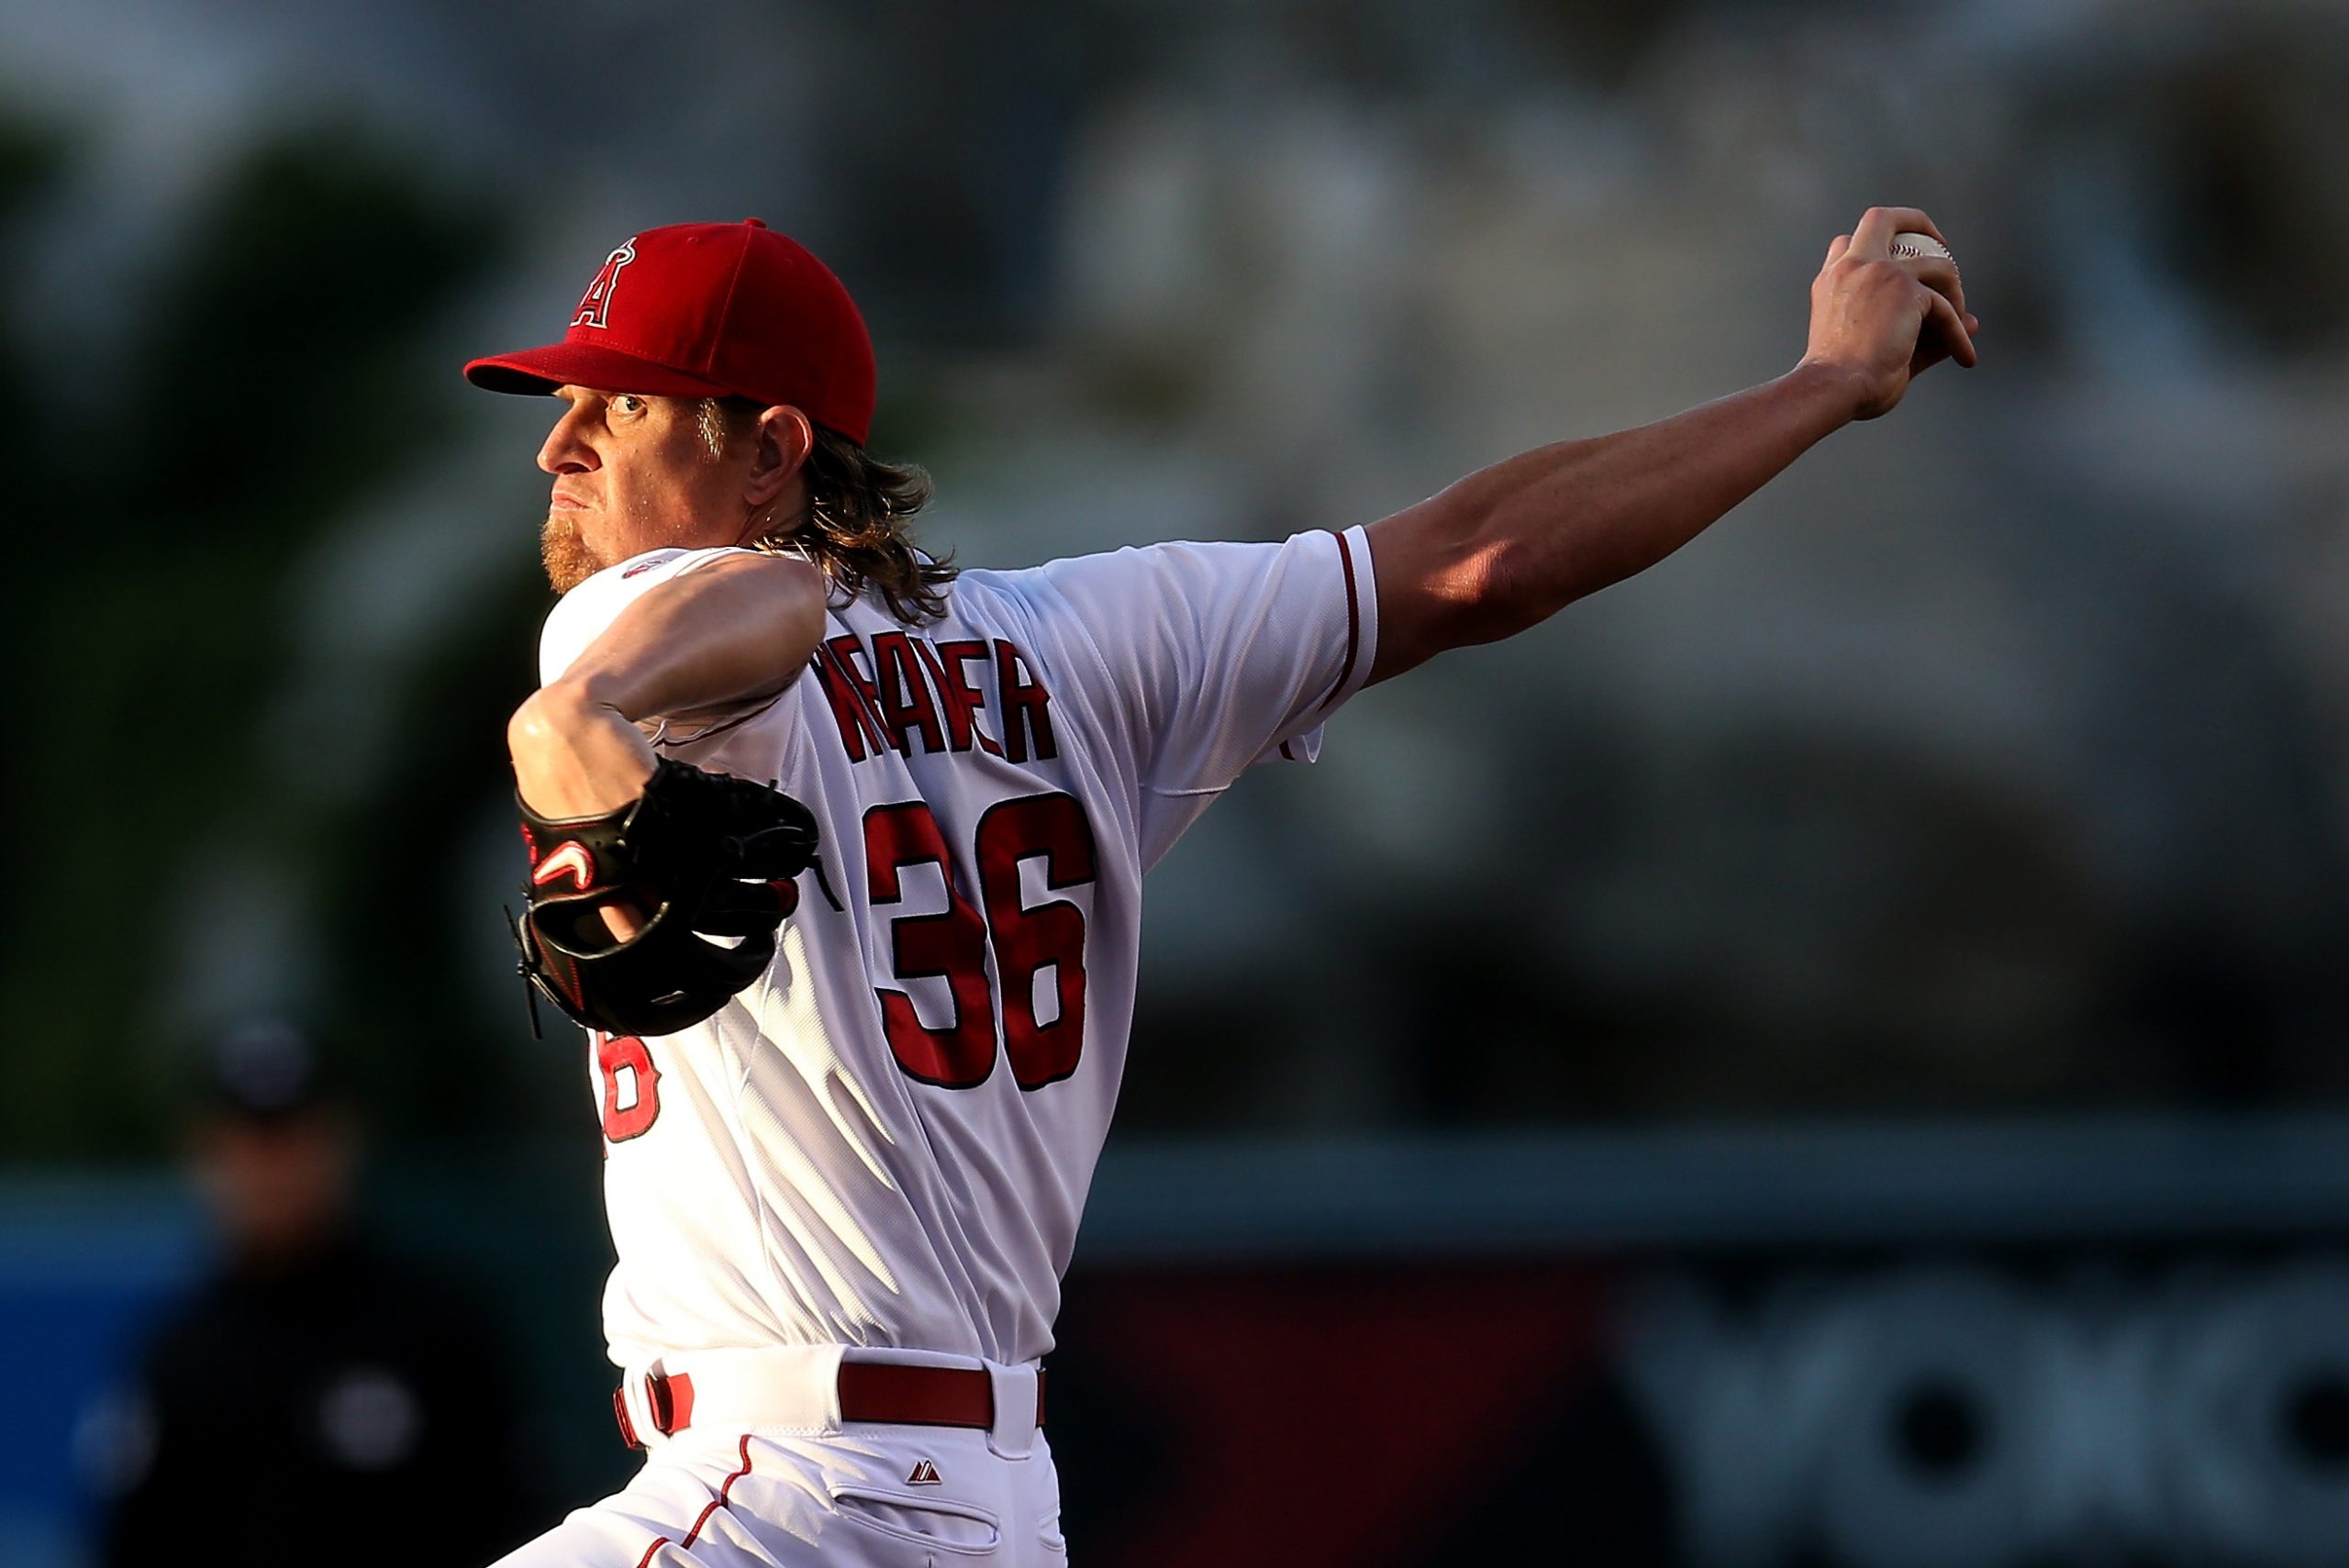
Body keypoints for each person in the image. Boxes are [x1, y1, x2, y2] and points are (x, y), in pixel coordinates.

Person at [471, 207, 1975, 1565]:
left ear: (771, 449)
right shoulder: (1091, 647)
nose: (564, 443)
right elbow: (1478, 562)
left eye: (626, 403)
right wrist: (1818, 387)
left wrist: (571, 723)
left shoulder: (639, 622)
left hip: (778, 1490)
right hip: (990, 1501)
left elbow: (775, 594)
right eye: (569, 403)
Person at [85, 1019, 533, 1567]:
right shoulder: (181, 1351)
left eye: (293, 1137)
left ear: (344, 1140)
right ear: (205, 1154)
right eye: (249, 1142)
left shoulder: (433, 1327)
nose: (272, 1169)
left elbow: (518, 1523)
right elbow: (131, 1539)